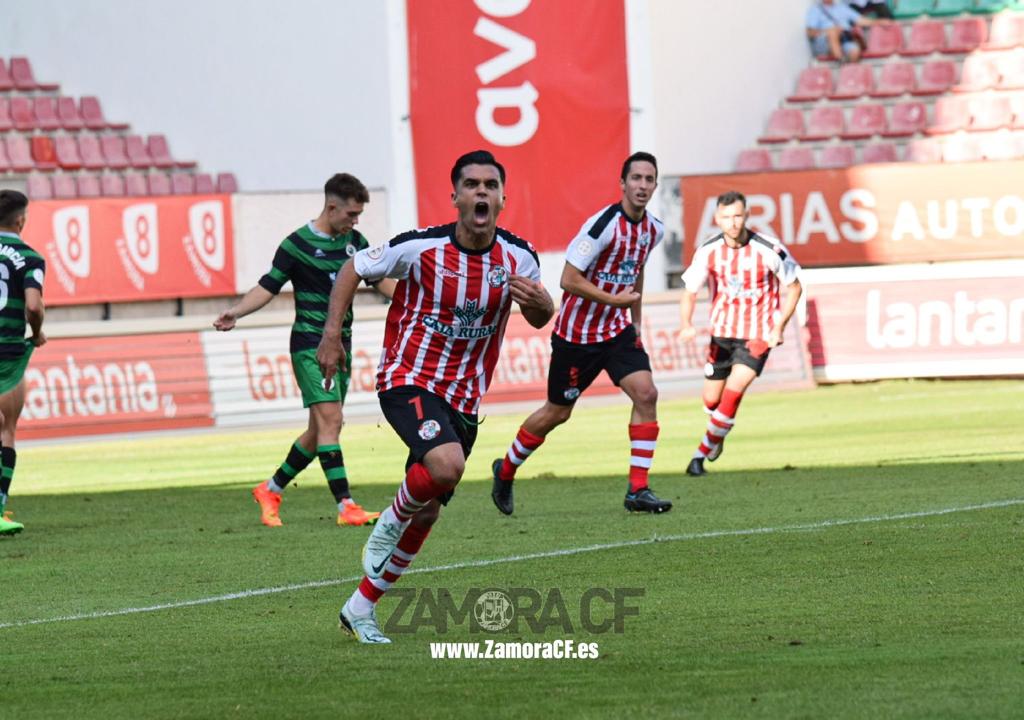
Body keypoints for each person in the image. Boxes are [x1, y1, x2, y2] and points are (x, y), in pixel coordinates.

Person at [316, 150, 554, 643]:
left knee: (429, 510)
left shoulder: (519, 257)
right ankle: (390, 516)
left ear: (503, 197)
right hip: (409, 378)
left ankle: (361, 607)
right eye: (472, 184)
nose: (482, 192)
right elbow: (351, 269)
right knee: (445, 467)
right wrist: (331, 336)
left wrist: (545, 305)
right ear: (456, 197)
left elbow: (537, 316)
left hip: (465, 397)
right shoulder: (419, 247)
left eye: (491, 185)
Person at [490, 151, 672, 516]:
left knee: (646, 393)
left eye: (649, 179)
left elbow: (635, 272)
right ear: (623, 183)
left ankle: (638, 490)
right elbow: (568, 280)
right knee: (557, 413)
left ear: (654, 185)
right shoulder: (603, 225)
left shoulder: (654, 229)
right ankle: (506, 469)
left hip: (618, 332)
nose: (642, 186)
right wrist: (613, 300)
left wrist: (634, 321)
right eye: (635, 178)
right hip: (577, 337)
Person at [214, 173, 394, 528]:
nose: (356, 221)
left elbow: (380, 282)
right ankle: (346, 506)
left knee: (319, 431)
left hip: (342, 346)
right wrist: (235, 312)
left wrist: (420, 301)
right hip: (311, 346)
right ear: (331, 207)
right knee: (331, 422)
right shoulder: (295, 244)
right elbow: (268, 286)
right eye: (351, 214)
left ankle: (270, 489)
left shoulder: (356, 243)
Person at [678, 191, 802, 478]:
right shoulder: (708, 250)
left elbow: (794, 286)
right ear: (717, 219)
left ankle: (699, 457)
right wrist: (686, 323)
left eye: (737, 216)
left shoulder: (769, 248)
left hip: (757, 335)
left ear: (746, 216)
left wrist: (778, 327)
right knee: (711, 400)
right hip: (721, 334)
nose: (733, 223)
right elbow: (690, 290)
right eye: (726, 217)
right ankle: (717, 434)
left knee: (734, 392)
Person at [0, 190, 46, 536]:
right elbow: (32, 305)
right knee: (6, 428)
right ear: (20, 220)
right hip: (8, 353)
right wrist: (38, 332)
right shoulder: (30, 257)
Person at [806, 0, 877, 62]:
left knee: (854, 52)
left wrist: (880, 21)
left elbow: (861, 20)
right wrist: (829, 31)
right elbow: (810, 33)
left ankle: (847, 67)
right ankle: (839, 58)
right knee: (833, 31)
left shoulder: (842, 7)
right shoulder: (815, 9)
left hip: (843, 39)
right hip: (824, 43)